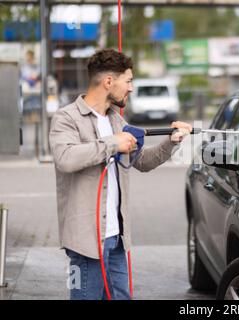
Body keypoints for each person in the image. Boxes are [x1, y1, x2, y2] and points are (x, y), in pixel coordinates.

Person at [49, 48, 192, 300]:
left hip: (116, 239)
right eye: (128, 81)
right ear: (108, 82)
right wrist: (113, 143)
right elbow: (66, 159)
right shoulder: (67, 118)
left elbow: (143, 161)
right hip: (84, 244)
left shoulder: (117, 121)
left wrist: (172, 141)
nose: (131, 88)